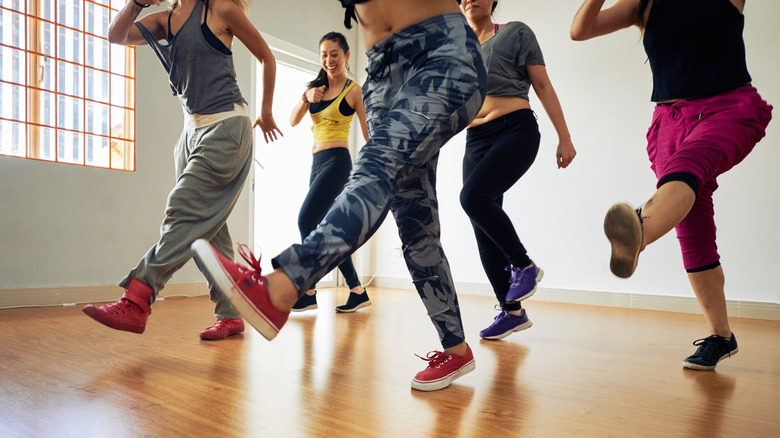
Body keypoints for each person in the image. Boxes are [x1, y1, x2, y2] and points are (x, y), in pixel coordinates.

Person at [192, 0, 487, 391]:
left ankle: (283, 285)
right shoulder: (326, 87)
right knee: (415, 224)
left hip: (437, 51)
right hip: (383, 73)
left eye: (335, 54)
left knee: (376, 162)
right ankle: (456, 347)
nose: (329, 59)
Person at [571, 0, 772, 370]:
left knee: (688, 168)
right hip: (670, 121)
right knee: (692, 228)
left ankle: (640, 231)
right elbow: (580, 30)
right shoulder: (642, 3)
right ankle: (721, 337)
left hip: (728, 109)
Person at [82, 0, 282, 341]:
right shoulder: (165, 20)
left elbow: (266, 55)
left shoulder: (220, 10)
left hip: (226, 128)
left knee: (182, 212)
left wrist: (265, 110)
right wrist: (137, 4)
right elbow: (117, 36)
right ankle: (231, 314)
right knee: (207, 233)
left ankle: (138, 297)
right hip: (190, 132)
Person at [457, 0, 576, 340]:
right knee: (482, 226)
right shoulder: (458, 49)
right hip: (474, 140)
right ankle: (512, 313)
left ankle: (523, 265)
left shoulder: (515, 33)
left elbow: (543, 85)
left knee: (472, 198)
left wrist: (564, 138)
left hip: (515, 130)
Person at [288, 32, 371, 313]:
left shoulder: (354, 90)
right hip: (317, 163)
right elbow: (293, 120)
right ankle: (357, 290)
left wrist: (375, 169)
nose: (328, 60)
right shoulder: (315, 88)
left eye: (334, 54)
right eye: (324, 54)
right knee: (328, 230)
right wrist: (305, 96)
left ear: (346, 56)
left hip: (338, 163)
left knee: (306, 219)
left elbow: (368, 132)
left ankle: (308, 289)